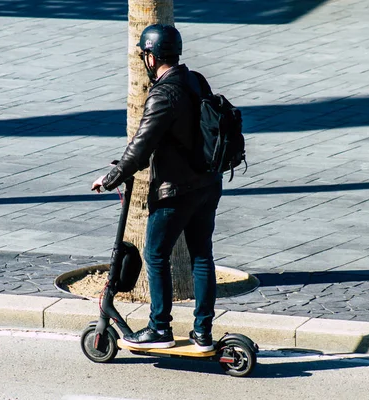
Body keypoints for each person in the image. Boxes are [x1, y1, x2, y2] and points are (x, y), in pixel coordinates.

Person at [91, 24, 222, 352]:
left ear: (152, 57)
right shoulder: (196, 80)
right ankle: (203, 334)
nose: (145, 60)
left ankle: (159, 327)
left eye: (145, 54)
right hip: (208, 183)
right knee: (201, 255)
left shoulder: (163, 94)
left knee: (156, 253)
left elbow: (141, 145)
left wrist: (111, 178)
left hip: (176, 191)